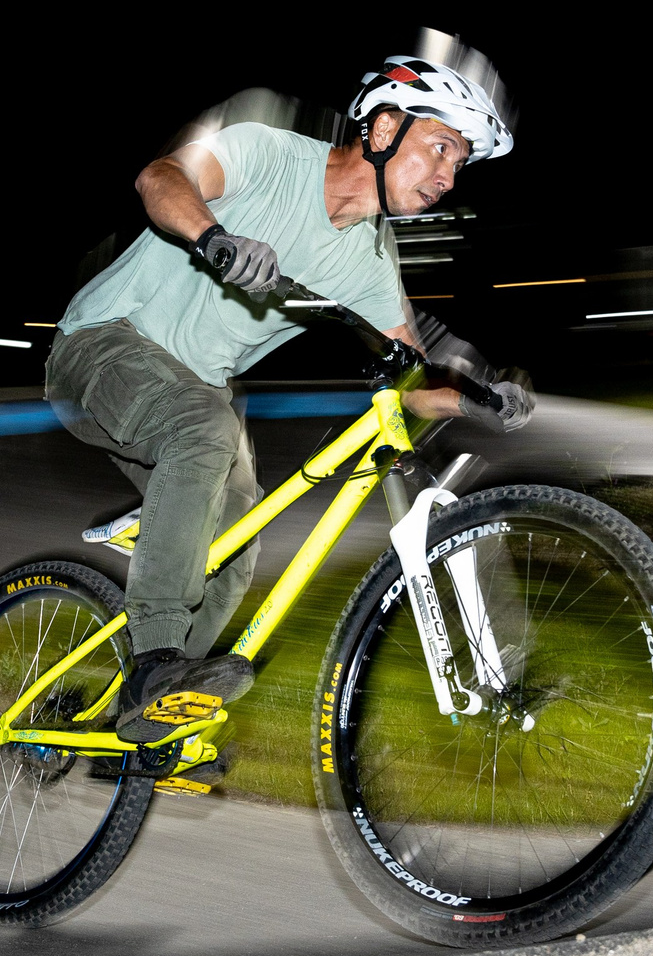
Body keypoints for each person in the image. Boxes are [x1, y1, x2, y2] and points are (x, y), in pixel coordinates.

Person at [44, 51, 537, 751]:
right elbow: (161, 178)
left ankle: (146, 725)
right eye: (440, 149)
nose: (447, 177)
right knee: (206, 429)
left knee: (234, 552)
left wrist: (482, 398)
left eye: (459, 164)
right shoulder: (267, 154)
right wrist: (213, 238)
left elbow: (414, 374)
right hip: (102, 344)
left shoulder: (370, 263)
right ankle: (155, 661)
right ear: (385, 126)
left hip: (195, 390)